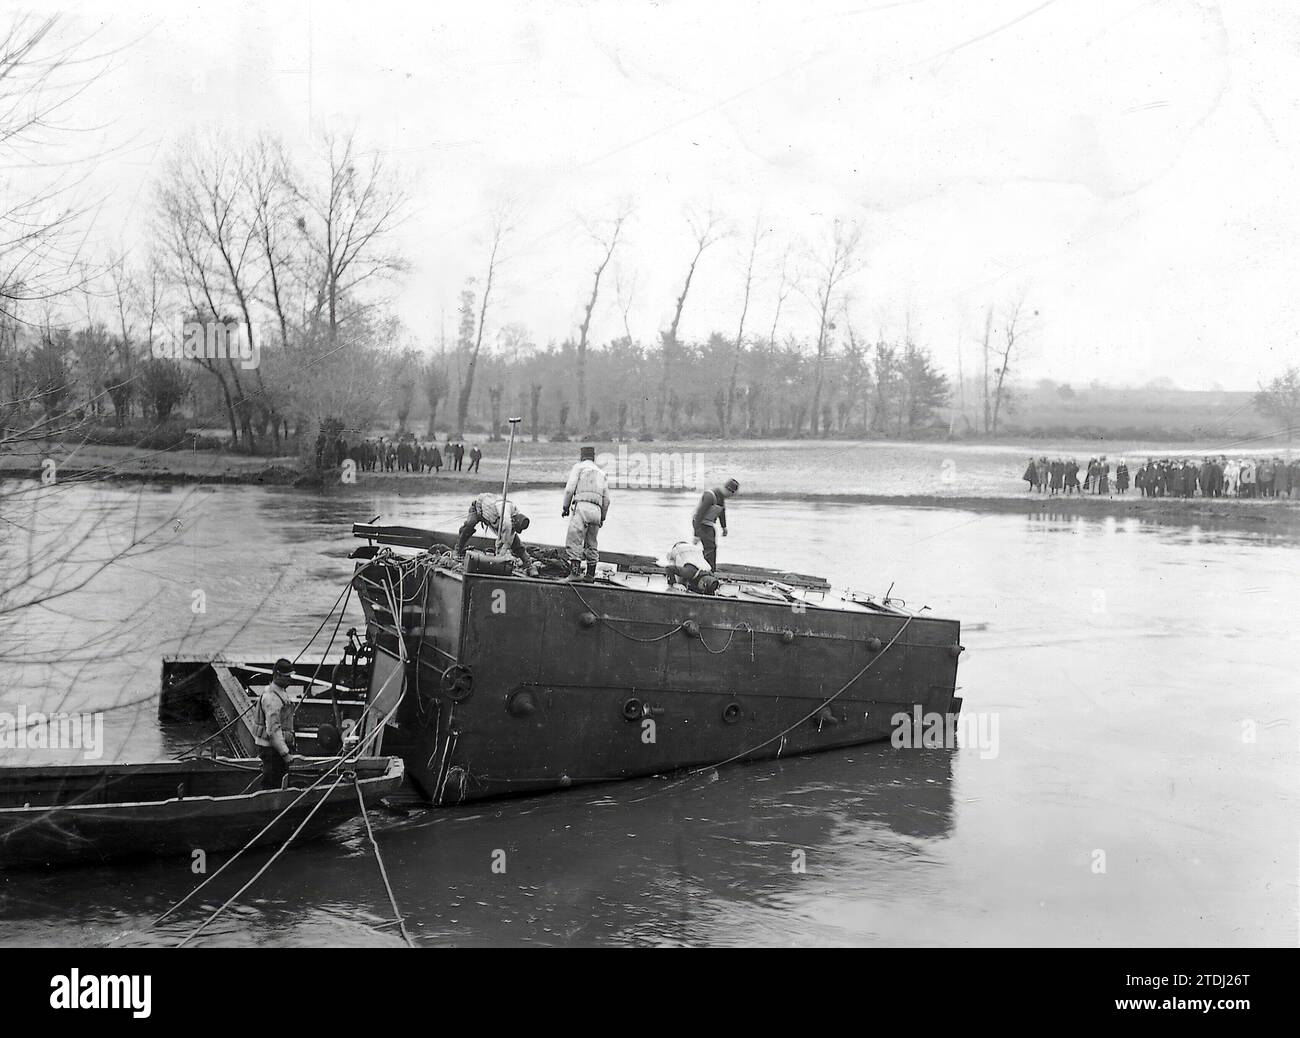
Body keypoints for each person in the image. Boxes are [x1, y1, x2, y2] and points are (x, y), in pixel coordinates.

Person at [562, 445, 610, 581]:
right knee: (592, 543)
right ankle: (590, 575)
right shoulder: (601, 473)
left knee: (574, 539)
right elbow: (607, 499)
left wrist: (565, 507)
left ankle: (575, 574)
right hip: (596, 511)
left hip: (582, 507)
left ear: (581, 457)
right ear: (593, 458)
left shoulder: (579, 467)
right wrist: (602, 518)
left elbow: (569, 490)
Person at [253, 659, 299, 791]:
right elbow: (273, 730)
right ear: (277, 675)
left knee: (277, 781)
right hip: (272, 750)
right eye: (287, 676)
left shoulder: (279, 692)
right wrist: (285, 753)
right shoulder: (271, 698)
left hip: (276, 748)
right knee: (272, 784)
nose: (290, 679)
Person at [454, 492, 534, 566]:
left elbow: (509, 538)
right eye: (513, 527)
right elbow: (506, 524)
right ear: (512, 520)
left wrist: (501, 553)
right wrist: (501, 543)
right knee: (470, 524)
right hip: (479, 509)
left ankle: (526, 560)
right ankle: (458, 550)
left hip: (493, 518)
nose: (512, 528)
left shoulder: (515, 518)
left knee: (514, 540)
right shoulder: (505, 508)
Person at [693, 478, 739, 570]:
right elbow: (699, 515)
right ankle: (708, 569)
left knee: (712, 547)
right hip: (700, 523)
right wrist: (696, 534)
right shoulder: (710, 496)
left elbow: (722, 512)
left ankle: (710, 568)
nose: (731, 496)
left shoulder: (721, 498)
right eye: (731, 494)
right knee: (710, 547)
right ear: (728, 490)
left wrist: (724, 527)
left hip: (708, 524)